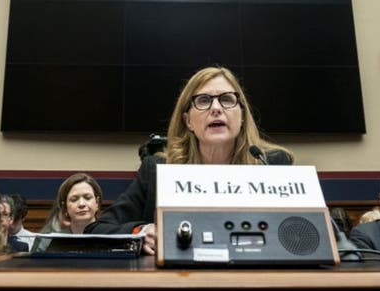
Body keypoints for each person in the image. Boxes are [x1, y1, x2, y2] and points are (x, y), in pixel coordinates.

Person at [84, 66, 293, 254]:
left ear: (242, 116)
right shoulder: (158, 170)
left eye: (227, 99)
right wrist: (141, 230)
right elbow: (97, 229)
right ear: (188, 121)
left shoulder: (271, 165)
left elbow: (313, 230)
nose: (216, 108)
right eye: (203, 100)